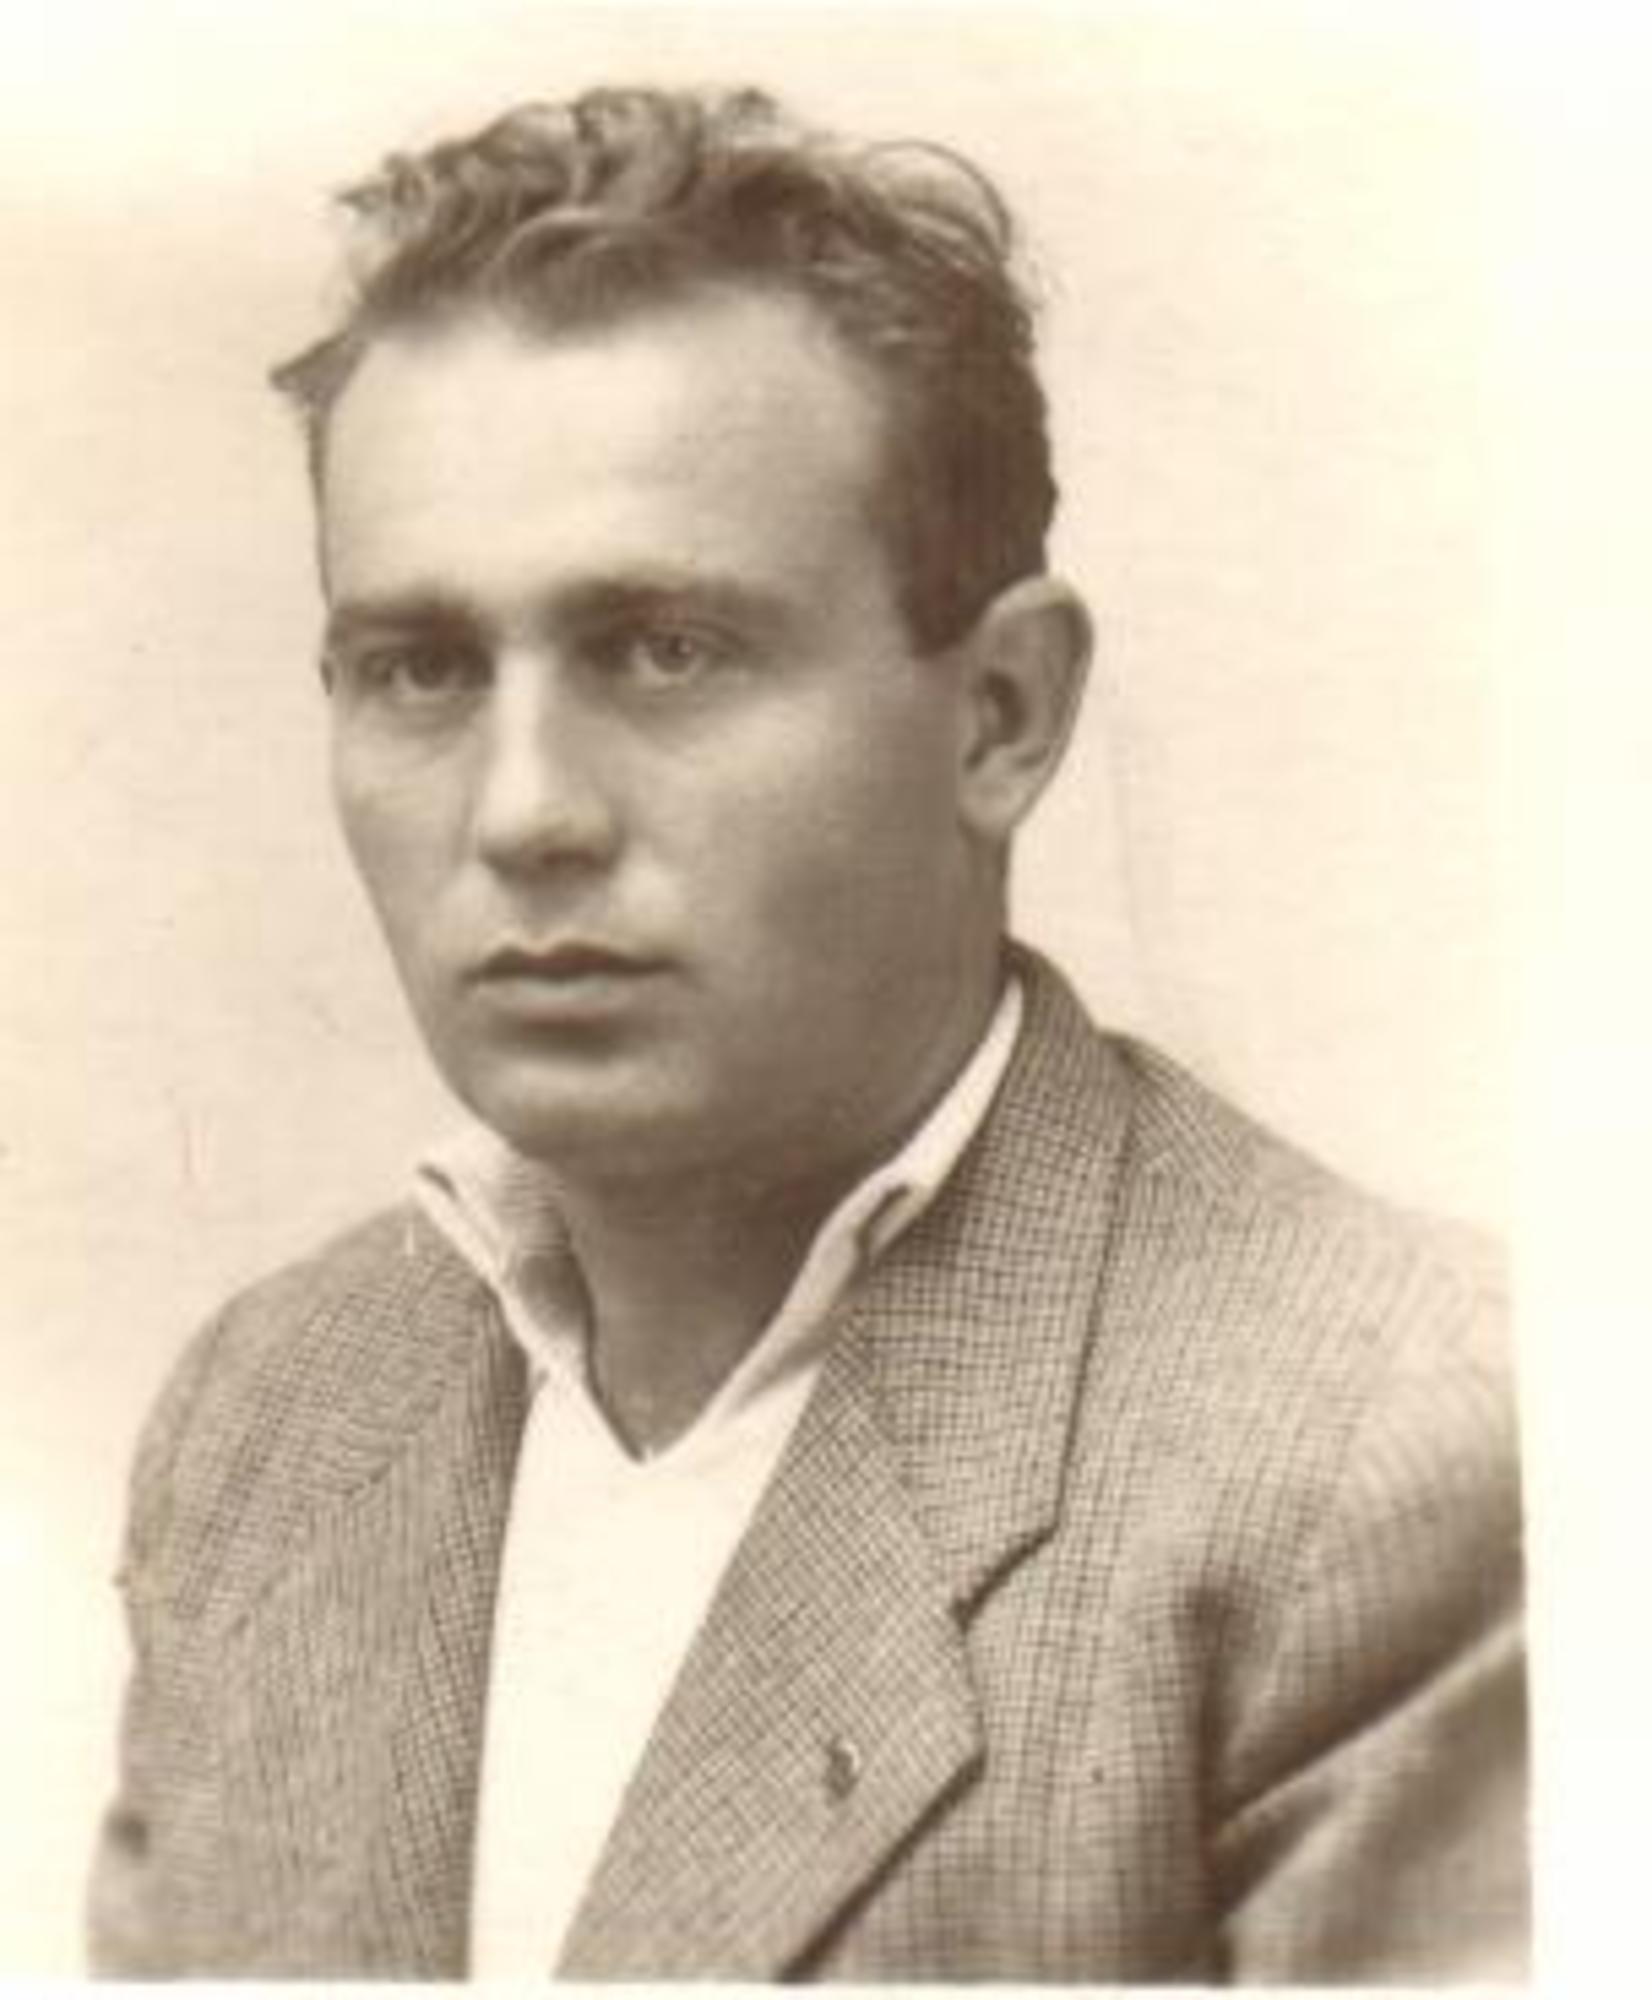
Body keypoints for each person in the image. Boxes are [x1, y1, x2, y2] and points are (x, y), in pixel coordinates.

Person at [87, 86, 1526, 1982]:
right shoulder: (264, 1420)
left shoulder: (1404, 1455)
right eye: (421, 670)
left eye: (666, 650)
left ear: (1003, 715)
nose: (524, 811)